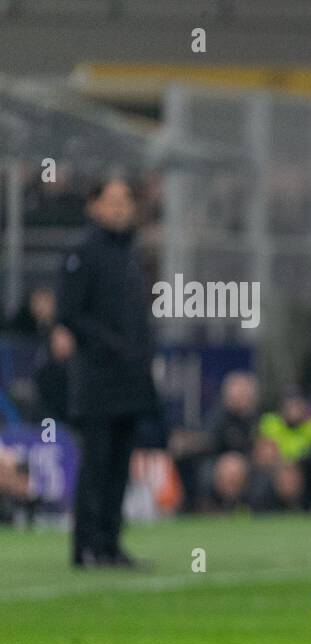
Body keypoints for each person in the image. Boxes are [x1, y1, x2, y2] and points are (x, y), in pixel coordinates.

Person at [57, 176, 157, 567]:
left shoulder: (130, 252)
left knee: (119, 465)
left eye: (125, 200)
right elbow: (69, 312)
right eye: (112, 201)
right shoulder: (81, 252)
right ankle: (85, 546)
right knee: (96, 462)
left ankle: (110, 543)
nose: (120, 208)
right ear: (93, 205)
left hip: (130, 378)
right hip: (97, 377)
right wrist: (110, 345)